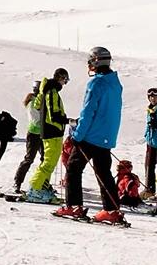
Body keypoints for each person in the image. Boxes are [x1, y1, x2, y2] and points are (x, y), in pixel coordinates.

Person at [54, 46, 127, 223]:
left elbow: (88, 112)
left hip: (90, 135)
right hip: (106, 136)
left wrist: (77, 135)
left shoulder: (96, 83)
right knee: (103, 172)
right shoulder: (115, 83)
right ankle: (111, 210)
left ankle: (73, 206)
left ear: (95, 62)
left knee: (73, 167)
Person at [14, 69, 69, 198]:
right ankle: (28, 186)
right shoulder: (45, 95)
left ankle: (42, 186)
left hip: (45, 132)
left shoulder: (46, 94)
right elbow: (46, 116)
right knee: (32, 159)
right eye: (65, 80)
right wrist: (63, 120)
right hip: (38, 133)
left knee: (46, 161)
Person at [141, 86, 157, 197]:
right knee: (149, 166)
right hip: (151, 141)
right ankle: (149, 190)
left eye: (154, 96)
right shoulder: (150, 109)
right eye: (150, 97)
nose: (152, 99)